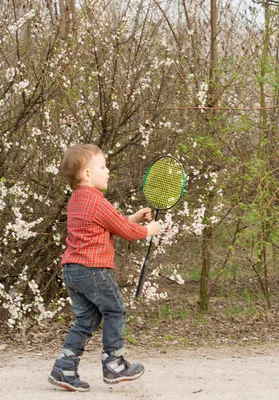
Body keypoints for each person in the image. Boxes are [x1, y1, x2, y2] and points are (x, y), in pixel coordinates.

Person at [48, 144, 161, 392]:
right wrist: (147, 230)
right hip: (93, 269)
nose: (108, 170)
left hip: (72, 270)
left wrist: (133, 217)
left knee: (86, 319)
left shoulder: (77, 200)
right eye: (102, 166)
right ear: (87, 174)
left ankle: (64, 366)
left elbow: (112, 224)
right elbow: (125, 232)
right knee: (115, 311)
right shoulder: (97, 202)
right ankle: (114, 362)